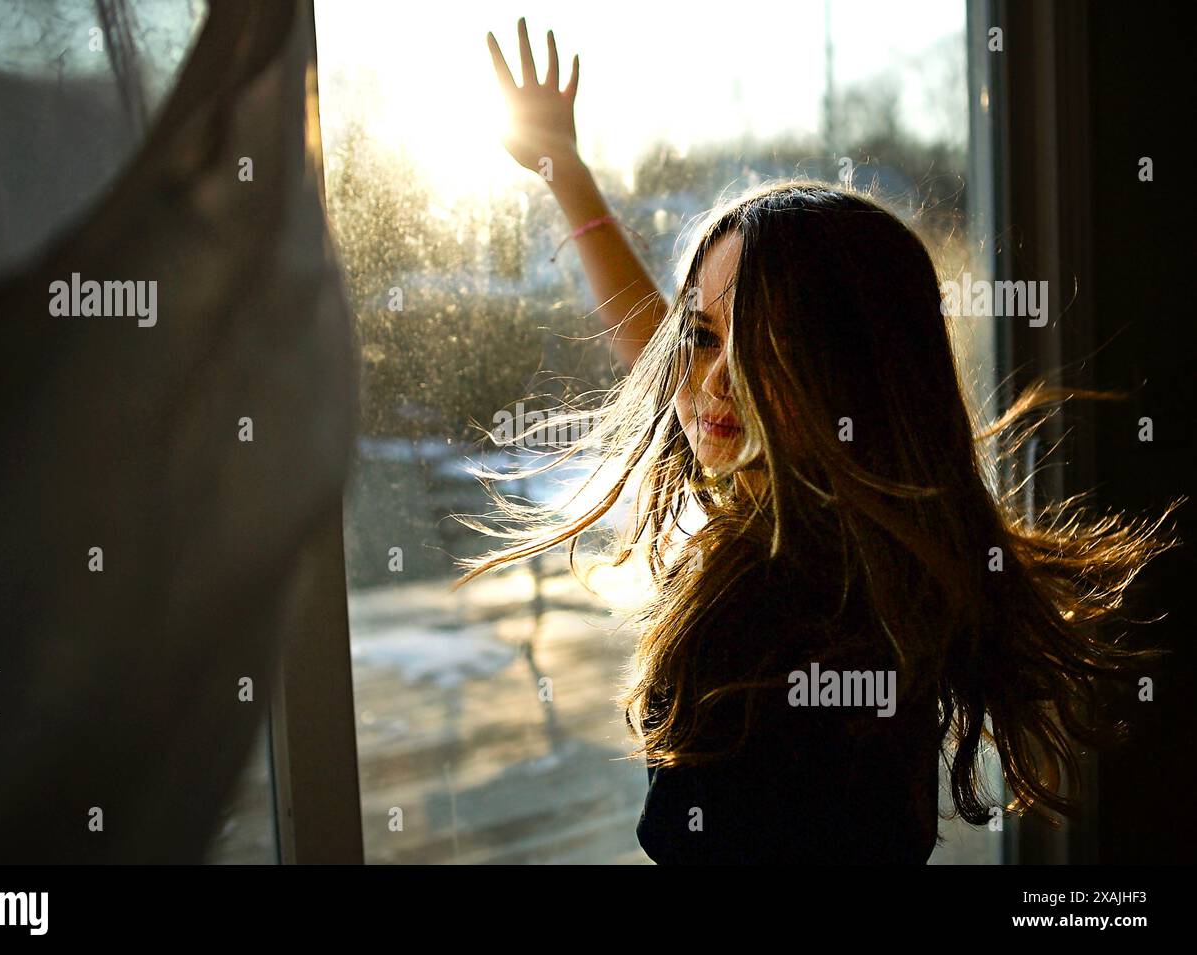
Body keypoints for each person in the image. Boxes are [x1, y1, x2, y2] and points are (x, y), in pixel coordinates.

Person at [454, 18, 1183, 864]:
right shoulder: (852, 544)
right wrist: (568, 175)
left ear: (854, 371)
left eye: (768, 346)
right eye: (704, 335)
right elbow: (659, 347)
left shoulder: (795, 609)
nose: (714, 380)